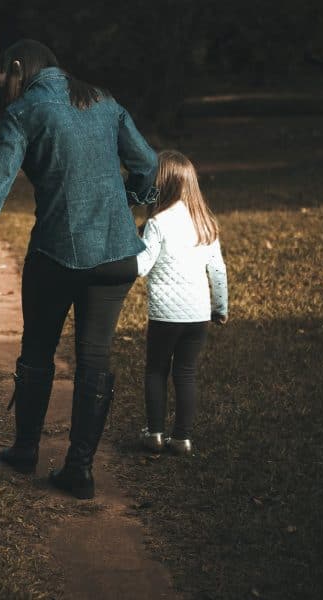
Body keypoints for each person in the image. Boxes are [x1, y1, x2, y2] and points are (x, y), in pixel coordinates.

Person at [0, 39, 158, 499]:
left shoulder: (25, 112)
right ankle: (80, 469)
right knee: (95, 357)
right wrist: (128, 202)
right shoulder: (104, 100)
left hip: (56, 256)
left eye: (4, 78)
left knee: (37, 351)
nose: (4, 89)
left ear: (18, 68)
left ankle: (25, 450)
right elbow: (149, 166)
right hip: (117, 257)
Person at [136, 150, 228, 456]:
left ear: (161, 184)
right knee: (186, 372)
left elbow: (141, 267)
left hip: (165, 315)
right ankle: (183, 439)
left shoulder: (158, 223)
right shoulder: (205, 223)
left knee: (156, 371)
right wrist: (220, 308)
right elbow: (217, 270)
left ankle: (155, 434)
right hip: (198, 314)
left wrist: (129, 246)